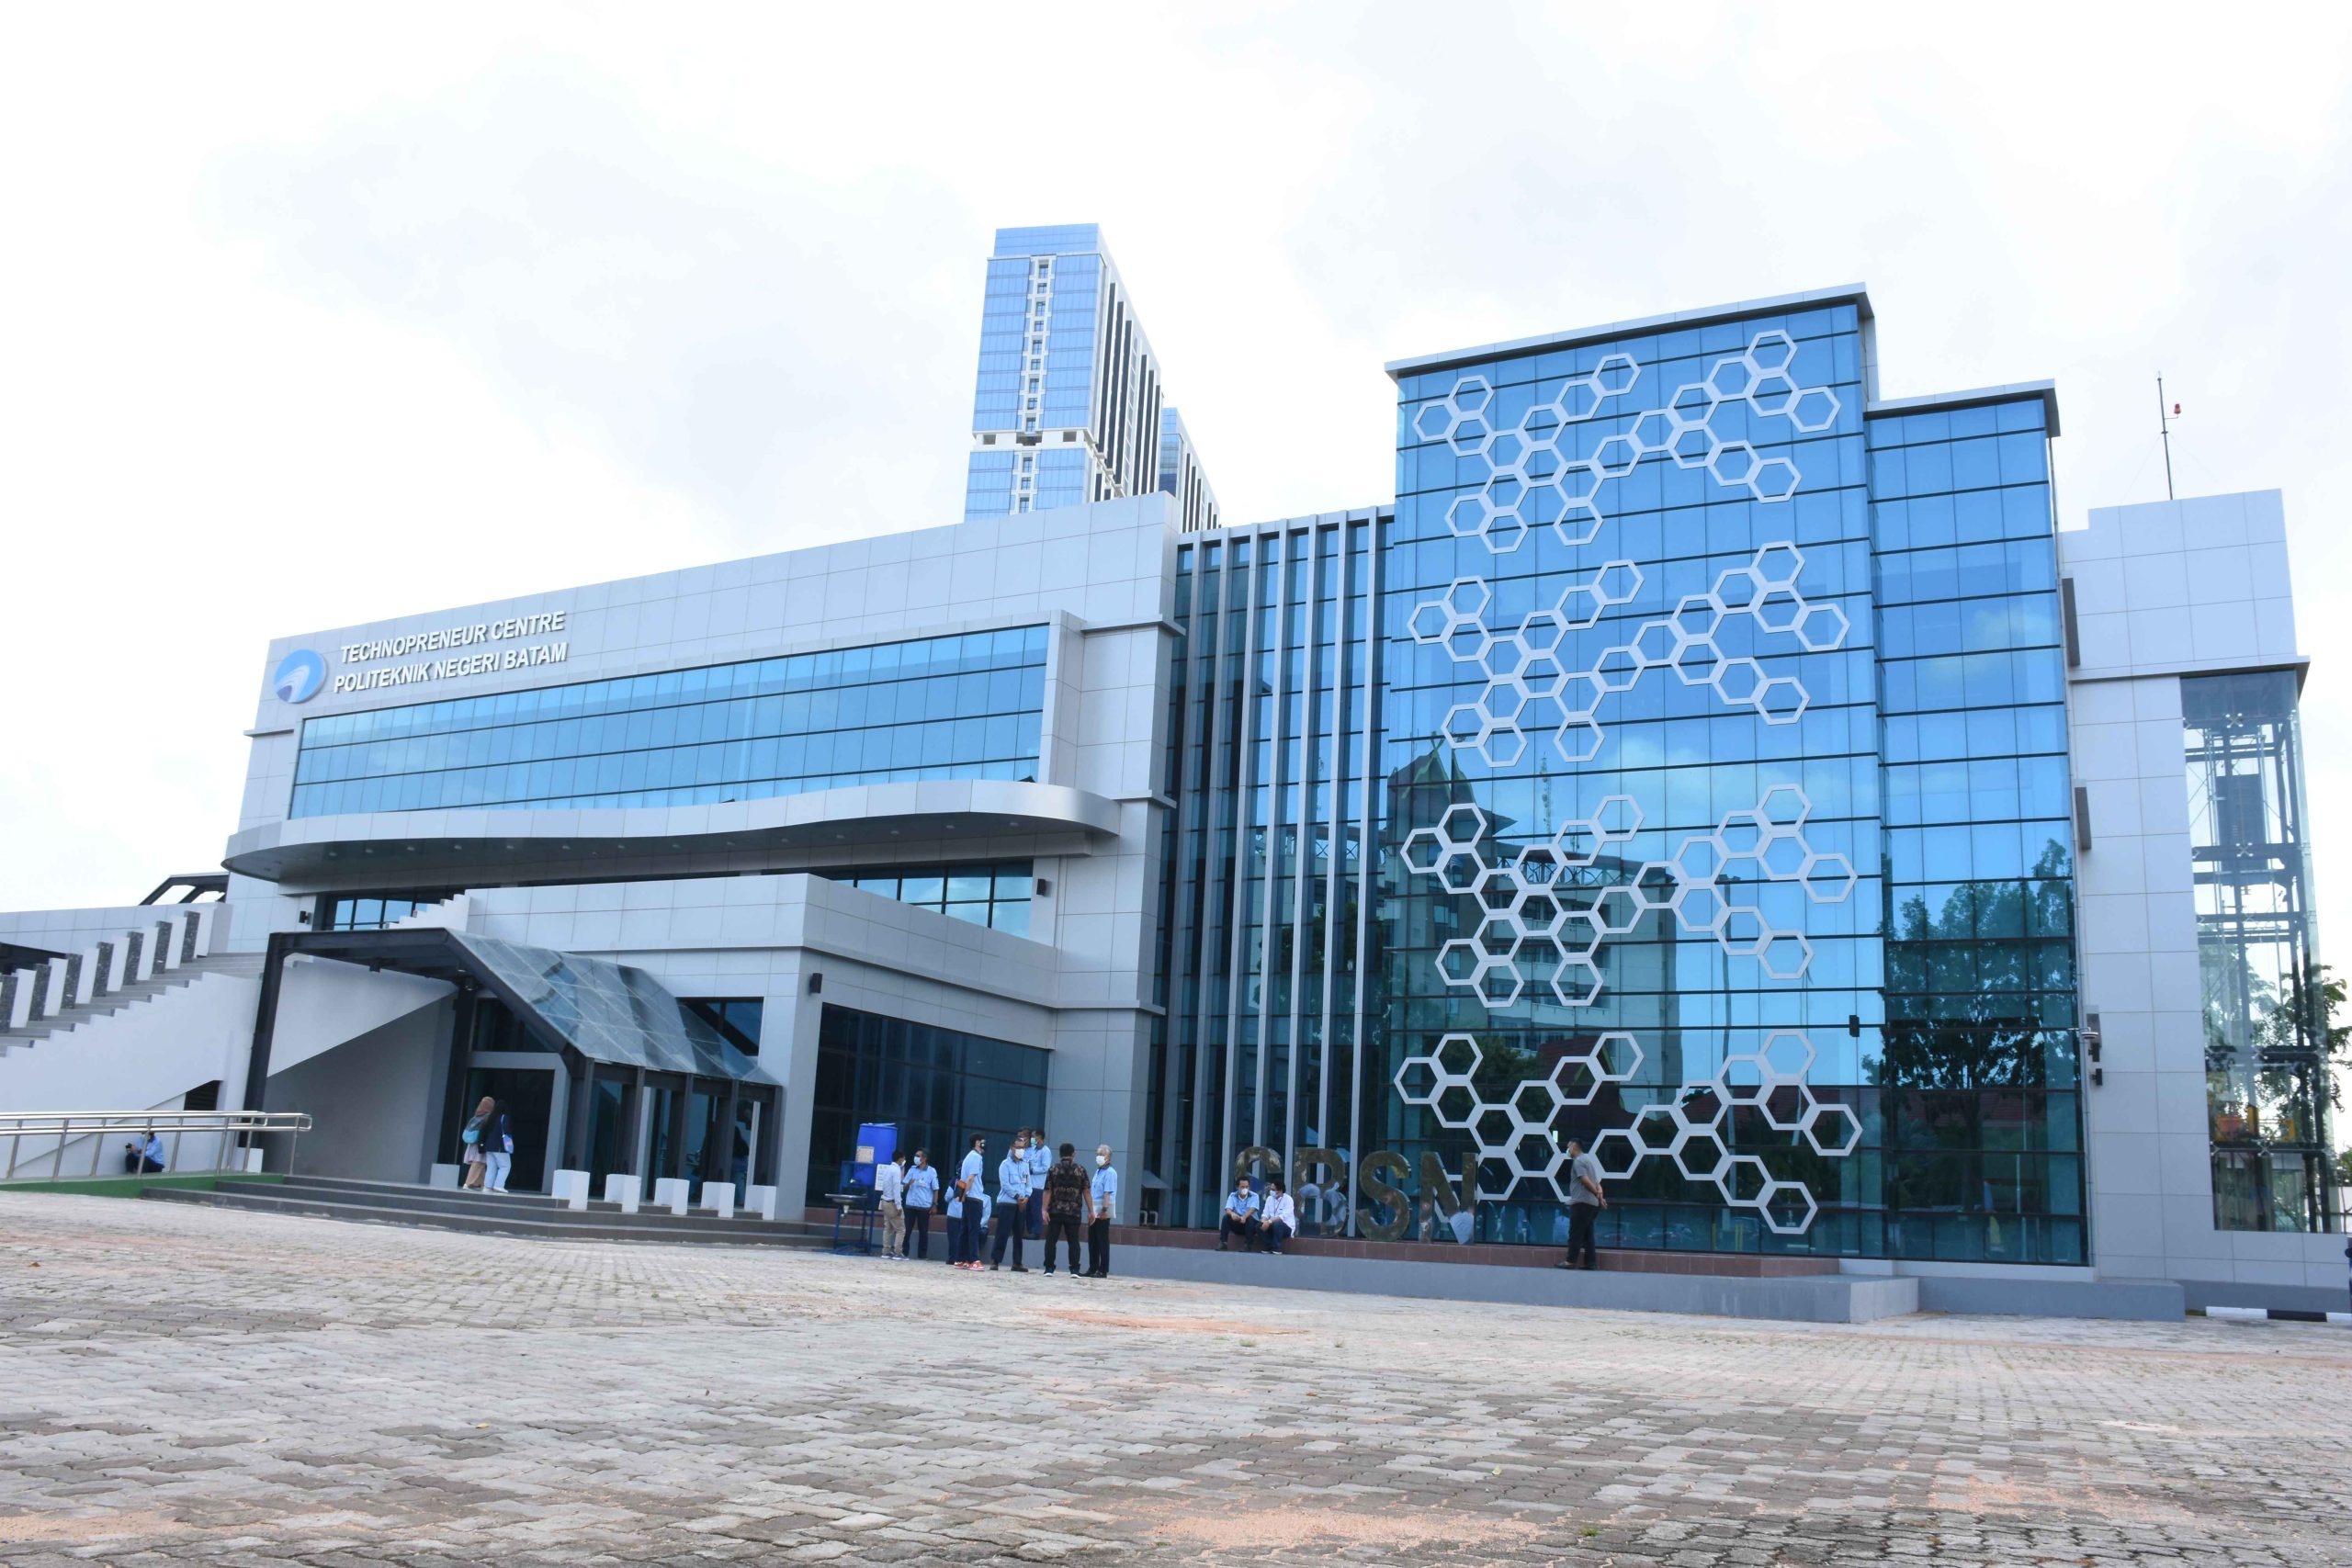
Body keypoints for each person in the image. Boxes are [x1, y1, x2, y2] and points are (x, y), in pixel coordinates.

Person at [1040, 1141, 1090, 1277]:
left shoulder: (1053, 1169)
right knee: (1073, 1241)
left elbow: (1047, 1191)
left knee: (1051, 1240)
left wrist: (1044, 1209)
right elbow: (1086, 1191)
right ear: (1073, 1154)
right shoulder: (1080, 1170)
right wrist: (1091, 1211)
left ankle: (1049, 1268)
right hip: (1073, 1212)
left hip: (1055, 1210)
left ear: (1060, 1154)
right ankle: (1074, 1269)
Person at [1556, 1136, 1607, 1270]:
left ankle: (1570, 1261)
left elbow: (1585, 1181)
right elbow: (1597, 1183)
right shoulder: (1588, 1161)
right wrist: (1600, 1198)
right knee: (1587, 1234)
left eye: (1568, 1147)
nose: (1567, 1150)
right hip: (1592, 1204)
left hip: (1581, 1203)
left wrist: (1597, 1195)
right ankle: (1591, 1263)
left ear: (1574, 1147)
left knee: (1575, 1233)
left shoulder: (1578, 1161)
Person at [990, 1134, 1033, 1271]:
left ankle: (1017, 1263)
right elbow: (1005, 1184)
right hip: (1007, 1203)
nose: (1021, 1150)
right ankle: (995, 1260)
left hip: (1021, 1204)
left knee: (1019, 1234)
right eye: (1018, 1147)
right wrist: (1017, 1197)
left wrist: (1026, 1197)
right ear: (1012, 1148)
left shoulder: (1025, 1165)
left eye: (1023, 1148)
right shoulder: (1005, 1164)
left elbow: (1028, 1184)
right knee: (1002, 1233)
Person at [953, 1134, 989, 1269]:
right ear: (978, 1142)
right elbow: (970, 1178)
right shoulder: (976, 1157)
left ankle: (961, 1259)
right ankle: (974, 1259)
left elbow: (962, 1179)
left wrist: (962, 1195)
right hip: (974, 1197)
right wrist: (965, 1194)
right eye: (983, 1141)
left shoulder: (968, 1157)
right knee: (974, 1229)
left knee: (965, 1228)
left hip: (968, 1198)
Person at [1085, 1144, 1119, 1278]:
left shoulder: (1110, 1173)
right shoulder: (1098, 1171)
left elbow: (1107, 1193)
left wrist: (1105, 1210)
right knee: (1092, 1239)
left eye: (1102, 1155)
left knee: (1102, 1240)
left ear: (1109, 1157)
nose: (1099, 1157)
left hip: (1103, 1209)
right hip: (1094, 1208)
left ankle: (1103, 1269)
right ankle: (1092, 1268)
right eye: (1097, 1154)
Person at [902, 1150, 940, 1262]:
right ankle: (904, 1252)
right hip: (910, 1205)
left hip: (924, 1206)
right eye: (916, 1155)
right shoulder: (912, 1169)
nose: (916, 1157)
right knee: (906, 1230)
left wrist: (934, 1204)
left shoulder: (932, 1171)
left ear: (924, 1158)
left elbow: (935, 1189)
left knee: (923, 1231)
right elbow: (903, 1186)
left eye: (918, 1156)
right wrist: (908, 1184)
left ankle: (922, 1254)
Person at [874, 1147, 907, 1260]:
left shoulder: (888, 1169)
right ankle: (898, 1252)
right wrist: (899, 1206)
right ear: (900, 1159)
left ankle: (886, 1251)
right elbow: (896, 1189)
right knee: (901, 1229)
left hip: (884, 1201)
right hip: (892, 1203)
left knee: (888, 1228)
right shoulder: (897, 1171)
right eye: (903, 1158)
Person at [1217, 1175, 1261, 1251]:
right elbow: (1228, 1209)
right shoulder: (1232, 1195)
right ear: (1237, 1187)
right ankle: (1223, 1243)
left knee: (1250, 1219)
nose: (1245, 1189)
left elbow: (1253, 1209)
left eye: (1246, 1187)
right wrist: (1232, 1214)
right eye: (1242, 1187)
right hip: (1238, 1223)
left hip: (1251, 1224)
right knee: (1226, 1217)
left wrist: (1244, 1217)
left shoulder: (1255, 1196)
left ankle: (1248, 1245)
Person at [1024, 1126, 1051, 1240]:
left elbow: (1046, 1167)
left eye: (1034, 1137)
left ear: (1039, 1137)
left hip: (1038, 1185)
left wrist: (1033, 1170)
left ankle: (1036, 1231)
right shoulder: (1033, 1149)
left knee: (1036, 1209)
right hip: (1029, 1184)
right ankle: (1030, 1230)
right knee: (1028, 1209)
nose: (1032, 1139)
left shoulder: (1046, 1151)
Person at [1257, 1178, 1296, 1255]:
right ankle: (1269, 1246)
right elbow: (1265, 1214)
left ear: (1280, 1190)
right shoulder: (1269, 1199)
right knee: (1258, 1226)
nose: (1271, 1191)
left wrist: (1269, 1222)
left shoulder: (1288, 1200)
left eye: (1273, 1190)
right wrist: (1263, 1221)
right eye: (1271, 1189)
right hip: (1272, 1225)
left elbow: (1283, 1216)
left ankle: (1277, 1248)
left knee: (1278, 1224)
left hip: (1286, 1227)